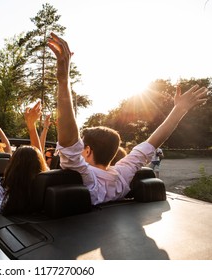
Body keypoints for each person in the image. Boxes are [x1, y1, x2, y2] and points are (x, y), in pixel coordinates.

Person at [47, 32, 209, 205]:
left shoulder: (87, 177)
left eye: (82, 147)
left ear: (87, 151)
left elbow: (69, 144)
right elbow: (153, 142)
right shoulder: (123, 175)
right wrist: (179, 109)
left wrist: (63, 80)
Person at [0, 78, 48, 215]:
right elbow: (40, 159)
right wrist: (31, 127)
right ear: (42, 167)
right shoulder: (48, 198)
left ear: (12, 168)